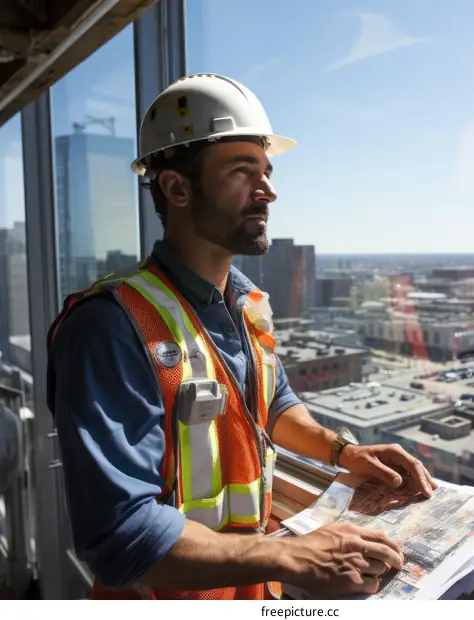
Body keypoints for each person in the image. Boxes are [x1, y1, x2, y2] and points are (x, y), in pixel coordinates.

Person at [46, 73, 438, 601]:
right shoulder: (110, 326)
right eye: (242, 171)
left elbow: (270, 402)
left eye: (267, 171)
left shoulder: (248, 303)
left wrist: (344, 451)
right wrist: (290, 553)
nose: (269, 190)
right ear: (177, 188)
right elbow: (121, 535)